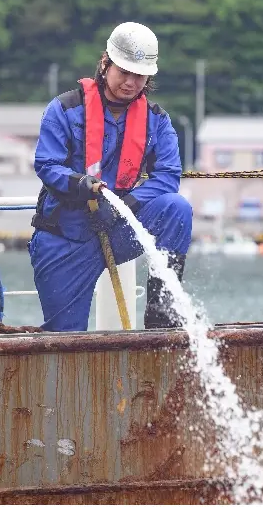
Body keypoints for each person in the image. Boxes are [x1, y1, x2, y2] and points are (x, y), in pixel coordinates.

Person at [29, 21, 193, 331]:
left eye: (139, 75)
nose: (131, 82)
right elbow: (47, 165)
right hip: (64, 238)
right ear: (106, 63)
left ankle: (162, 311)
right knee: (65, 341)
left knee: (176, 208)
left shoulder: (157, 121)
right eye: (124, 72)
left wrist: (126, 203)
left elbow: (168, 176)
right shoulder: (63, 109)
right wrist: (81, 185)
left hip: (117, 229)